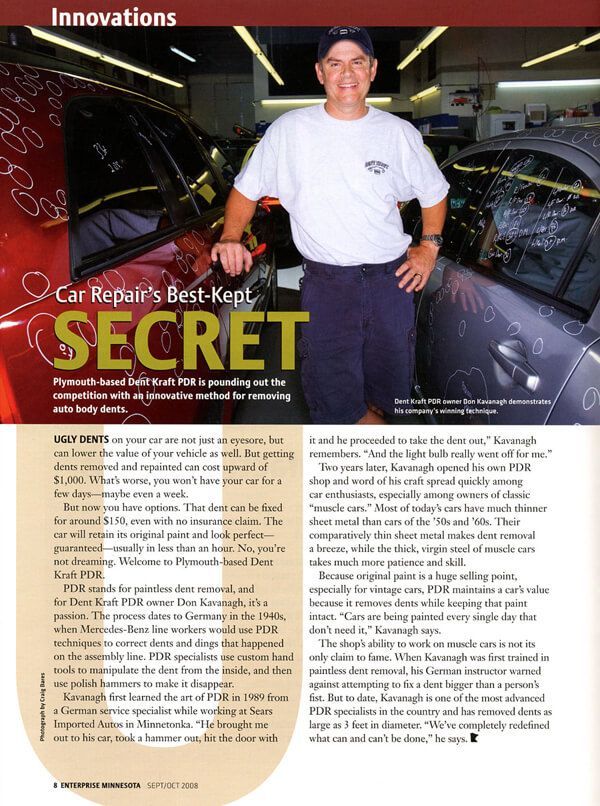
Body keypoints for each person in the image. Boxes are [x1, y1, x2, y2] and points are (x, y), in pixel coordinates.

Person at [211, 26, 449, 424]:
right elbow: (245, 190)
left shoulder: (398, 134)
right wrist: (232, 236)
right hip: (328, 286)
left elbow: (434, 192)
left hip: (391, 283)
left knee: (388, 391)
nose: (347, 73)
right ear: (320, 72)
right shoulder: (289, 131)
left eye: (357, 62)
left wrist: (429, 247)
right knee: (334, 396)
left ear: (373, 69)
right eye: (335, 63)